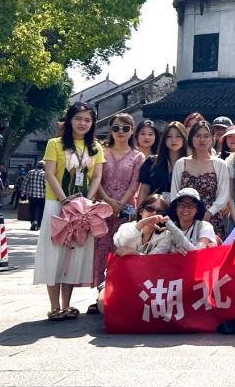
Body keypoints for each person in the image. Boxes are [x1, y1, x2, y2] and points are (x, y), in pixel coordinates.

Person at [34, 102, 106, 321]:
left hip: (82, 208)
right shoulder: (54, 144)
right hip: (56, 204)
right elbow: (50, 173)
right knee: (53, 252)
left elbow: (97, 176)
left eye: (87, 120)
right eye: (78, 118)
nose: (82, 123)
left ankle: (67, 305)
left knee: (73, 253)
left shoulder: (95, 147)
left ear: (93, 123)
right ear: (69, 120)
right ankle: (54, 306)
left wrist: (87, 201)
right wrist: (64, 200)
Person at [93, 113, 145, 299]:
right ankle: (100, 292)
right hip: (102, 207)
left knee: (121, 248)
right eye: (116, 128)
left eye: (125, 128)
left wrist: (121, 203)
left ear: (132, 131)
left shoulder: (138, 156)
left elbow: (135, 183)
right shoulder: (101, 151)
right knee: (100, 250)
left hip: (126, 209)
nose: (120, 131)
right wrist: (107, 199)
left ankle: (119, 292)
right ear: (110, 130)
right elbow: (96, 179)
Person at [170, 120, 232, 238]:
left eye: (206, 136)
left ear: (212, 139)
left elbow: (223, 195)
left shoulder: (220, 164)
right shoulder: (181, 163)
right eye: (197, 136)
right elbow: (174, 193)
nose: (202, 139)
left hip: (211, 218)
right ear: (191, 138)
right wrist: (181, 213)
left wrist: (209, 213)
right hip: (184, 217)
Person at [137, 120, 188, 205]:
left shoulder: (190, 163)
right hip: (156, 208)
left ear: (184, 138)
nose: (173, 140)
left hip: (182, 208)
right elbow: (144, 190)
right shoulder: (151, 162)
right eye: (169, 136)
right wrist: (139, 210)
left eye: (178, 136)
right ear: (164, 139)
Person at [21, 160, 47, 231]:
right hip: (42, 195)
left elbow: (25, 183)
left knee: (32, 209)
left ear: (36, 166)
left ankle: (33, 221)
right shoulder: (44, 174)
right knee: (40, 210)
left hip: (31, 195)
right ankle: (38, 225)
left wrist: (23, 193)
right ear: (43, 167)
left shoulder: (30, 172)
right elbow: (46, 185)